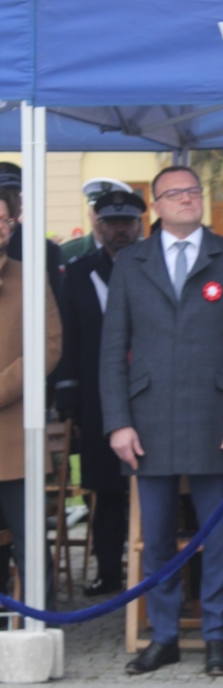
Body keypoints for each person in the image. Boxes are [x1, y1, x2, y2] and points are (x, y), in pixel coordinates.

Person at [99, 165, 223, 677]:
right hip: (147, 418)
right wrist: (117, 422)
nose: (186, 199)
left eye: (193, 191)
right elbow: (112, 351)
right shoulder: (131, 263)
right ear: (156, 205)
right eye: (174, 193)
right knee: (156, 538)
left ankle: (217, 636)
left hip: (216, 416)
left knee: (215, 536)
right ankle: (164, 636)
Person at [56, 191, 147, 597]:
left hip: (150, 393)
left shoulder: (153, 266)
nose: (120, 230)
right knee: (106, 490)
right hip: (98, 398)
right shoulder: (79, 271)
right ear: (99, 225)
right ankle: (108, 571)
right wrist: (68, 398)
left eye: (127, 222)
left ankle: (157, 571)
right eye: (112, 222)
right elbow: (69, 336)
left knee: (156, 487)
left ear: (139, 225)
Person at [0, 189, 62, 604]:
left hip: (14, 439)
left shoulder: (30, 276)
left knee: (30, 543)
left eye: (3, 219)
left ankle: (42, 622)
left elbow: (49, 345)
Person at [0, 162, 62, 303]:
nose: (11, 203)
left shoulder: (43, 249)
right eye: (4, 197)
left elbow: (54, 302)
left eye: (15, 195)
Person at [61, 178, 134, 264]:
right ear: (89, 213)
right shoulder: (66, 253)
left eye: (108, 210)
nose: (102, 215)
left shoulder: (141, 250)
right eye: (97, 208)